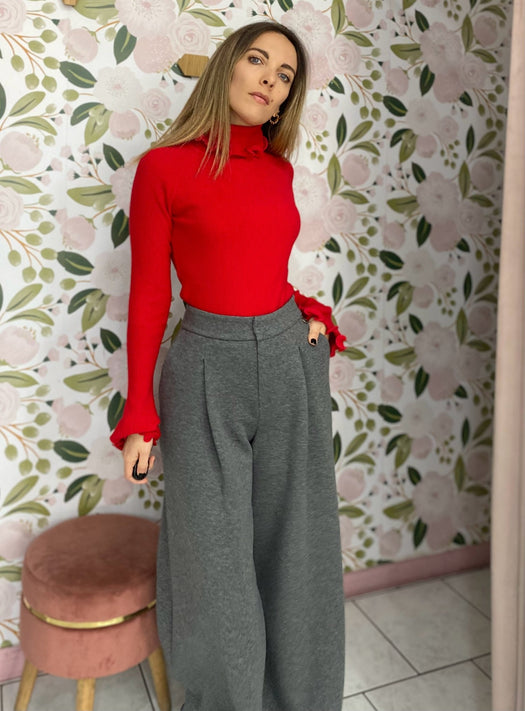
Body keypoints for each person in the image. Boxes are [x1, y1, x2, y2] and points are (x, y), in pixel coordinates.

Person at [110, 20, 346, 711]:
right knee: (213, 558)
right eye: (258, 60)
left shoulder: (278, 170)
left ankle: (301, 699)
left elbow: (258, 262)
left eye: (284, 75)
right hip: (205, 368)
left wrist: (305, 311)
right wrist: (139, 414)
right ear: (226, 67)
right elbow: (150, 294)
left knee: (296, 546)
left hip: (289, 360)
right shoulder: (164, 167)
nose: (269, 79)